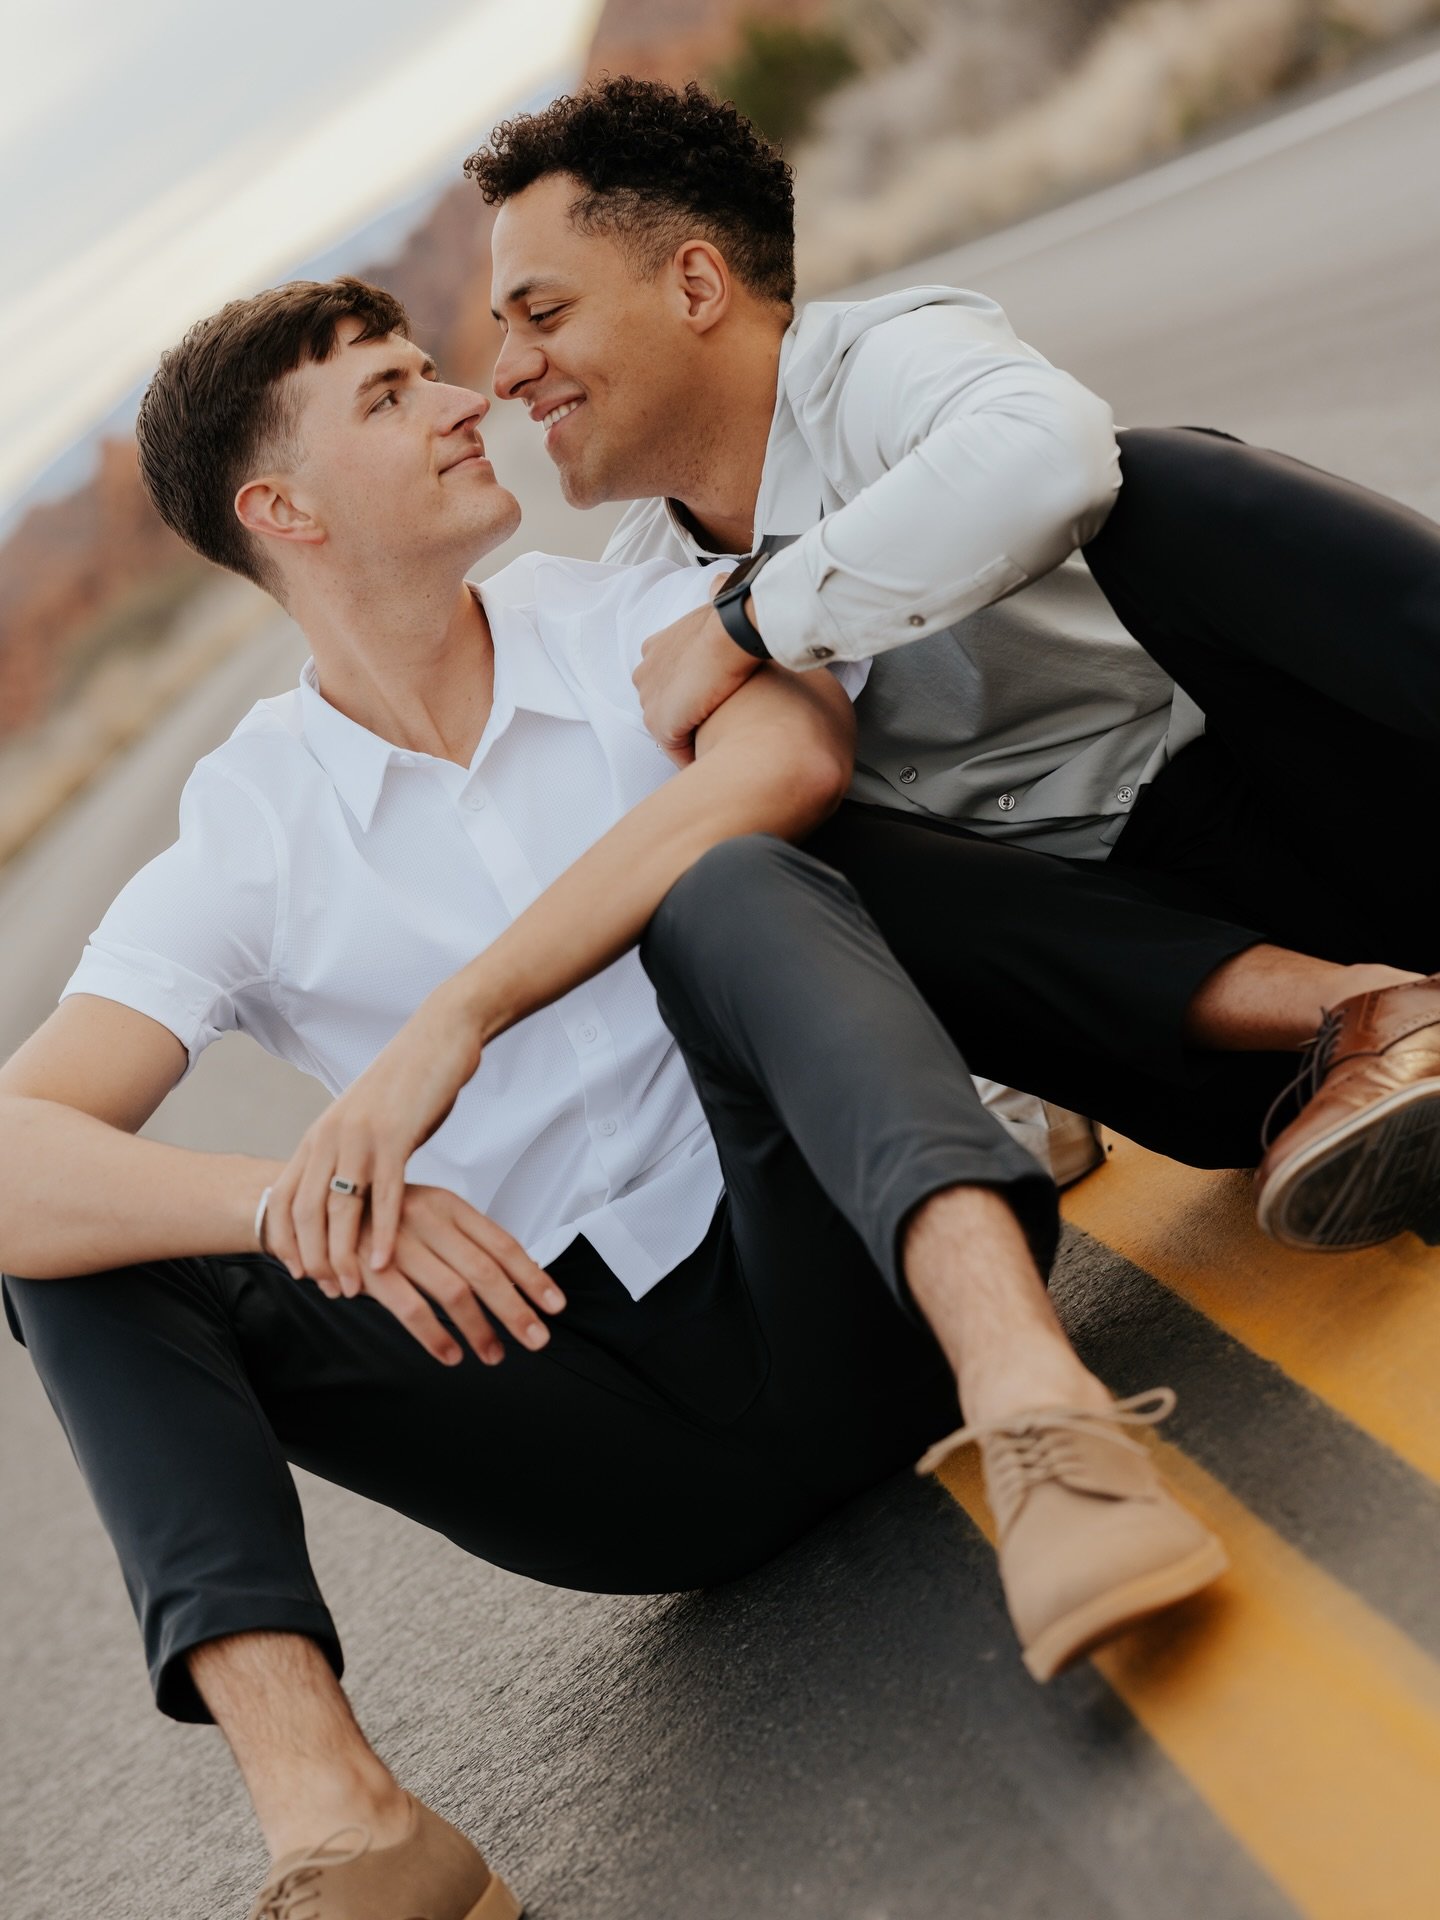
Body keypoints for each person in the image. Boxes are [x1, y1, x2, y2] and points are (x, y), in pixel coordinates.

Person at [0, 276, 1250, 1920]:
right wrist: (306, 1204)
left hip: (853, 1292)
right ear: (282, 512)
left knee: (728, 885)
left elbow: (793, 763)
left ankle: (1044, 1419)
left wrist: (459, 1019)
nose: (466, 400)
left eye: (431, 370)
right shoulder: (254, 826)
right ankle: (342, 1820)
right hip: (596, 1433)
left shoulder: (631, 618)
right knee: (75, 1254)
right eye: (389, 395)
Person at [470, 77, 1440, 1251]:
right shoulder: (637, 594)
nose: (506, 372)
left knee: (1163, 483)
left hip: (1345, 819)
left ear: (695, 285)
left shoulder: (879, 363)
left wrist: (749, 621)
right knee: (757, 849)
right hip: (1213, 1032)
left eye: (542, 313)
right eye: (503, 330)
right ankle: (1377, 1023)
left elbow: (1050, 455)